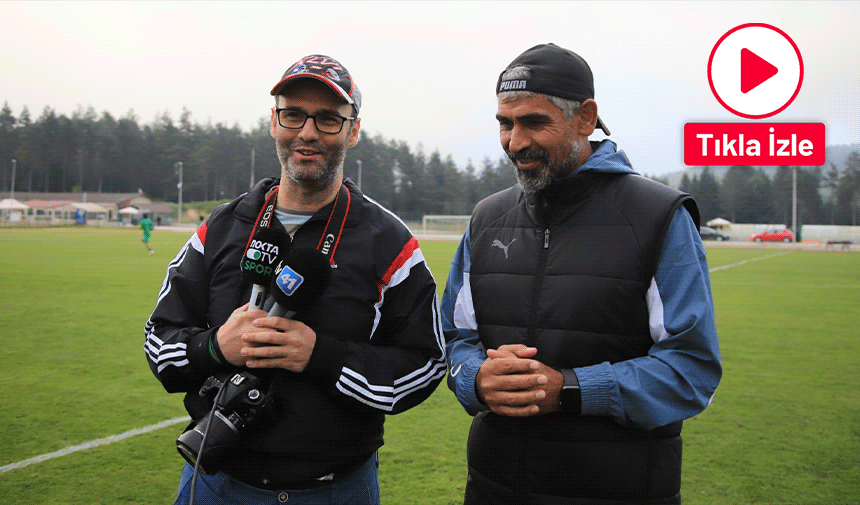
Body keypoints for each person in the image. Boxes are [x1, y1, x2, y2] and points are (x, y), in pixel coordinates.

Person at [145, 54, 446, 505]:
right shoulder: (223, 226)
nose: (307, 132)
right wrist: (214, 346)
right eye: (293, 115)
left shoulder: (388, 242)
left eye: (328, 119)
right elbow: (158, 339)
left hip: (336, 489)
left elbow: (424, 366)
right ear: (274, 122)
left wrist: (322, 356)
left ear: (353, 130)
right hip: (216, 482)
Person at [442, 43, 722, 505]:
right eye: (505, 124)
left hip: (621, 491)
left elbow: (691, 370)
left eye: (534, 122)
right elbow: (455, 338)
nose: (515, 142)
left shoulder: (658, 217)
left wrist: (569, 390)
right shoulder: (486, 218)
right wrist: (475, 376)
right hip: (493, 489)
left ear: (586, 119)